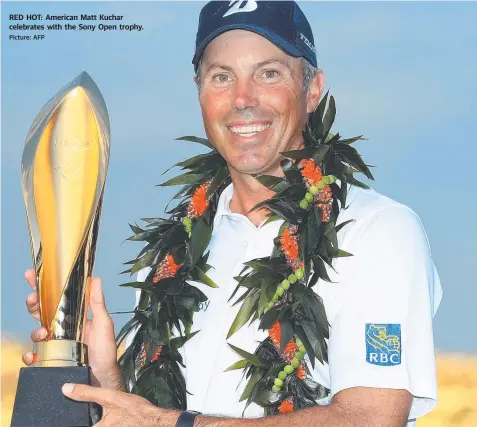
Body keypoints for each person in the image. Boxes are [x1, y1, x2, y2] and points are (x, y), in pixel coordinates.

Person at [22, 1, 443, 426]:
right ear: (200, 93)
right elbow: (146, 417)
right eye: (222, 77)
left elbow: (370, 419)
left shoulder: (377, 232)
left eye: (269, 73)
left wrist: (168, 424)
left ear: (312, 89)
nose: (243, 99)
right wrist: (107, 383)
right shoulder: (169, 258)